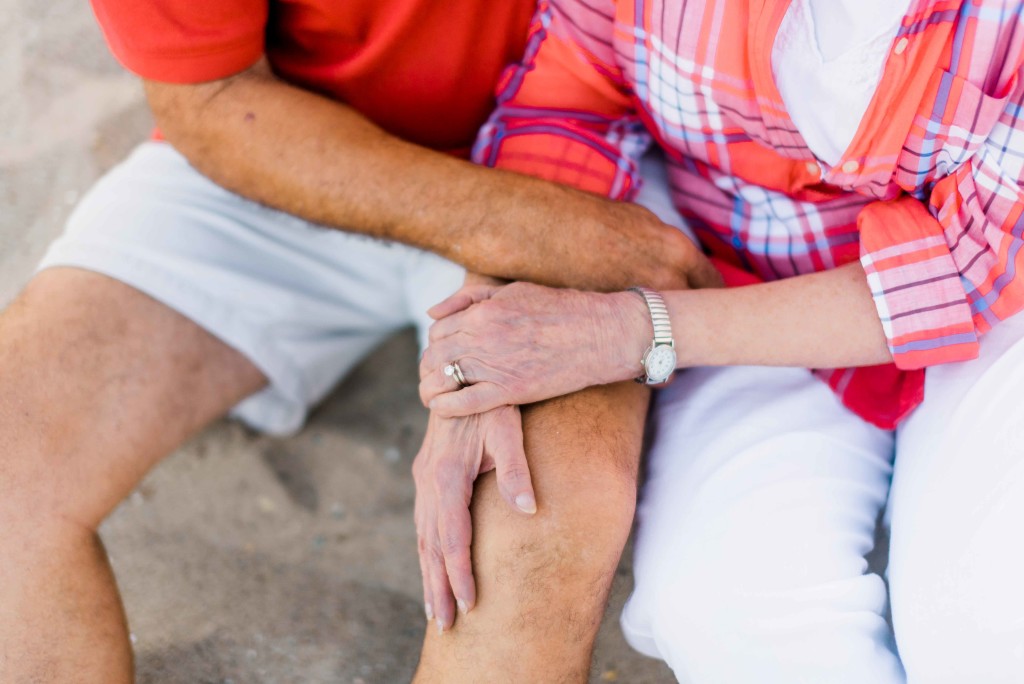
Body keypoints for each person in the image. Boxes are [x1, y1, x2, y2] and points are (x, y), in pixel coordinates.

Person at [0, 1, 722, 682]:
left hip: (581, 135)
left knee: (528, 545)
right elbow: (211, 97)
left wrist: (519, 277)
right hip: (288, 141)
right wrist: (509, 234)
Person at [419, 0, 1024, 681]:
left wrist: (633, 330)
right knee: (717, 617)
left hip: (1004, 314)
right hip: (742, 285)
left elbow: (972, 265)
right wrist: (485, 350)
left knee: (983, 636)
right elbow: (571, 100)